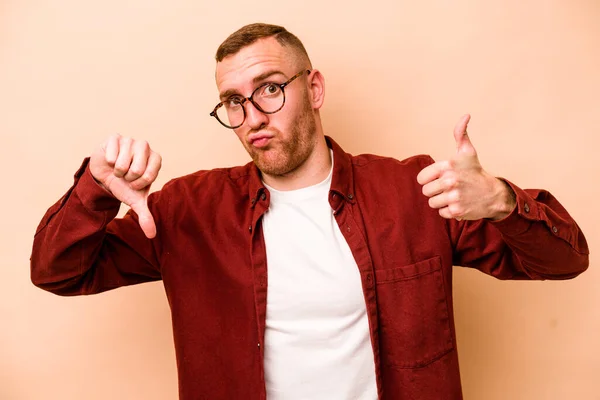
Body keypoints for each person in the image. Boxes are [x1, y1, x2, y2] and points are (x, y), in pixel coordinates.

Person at [30, 23, 589, 400]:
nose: (252, 116)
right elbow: (58, 272)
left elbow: (565, 260)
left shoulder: (413, 192)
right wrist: (96, 192)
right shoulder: (186, 211)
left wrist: (504, 203)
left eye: (270, 88)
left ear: (314, 87)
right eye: (232, 100)